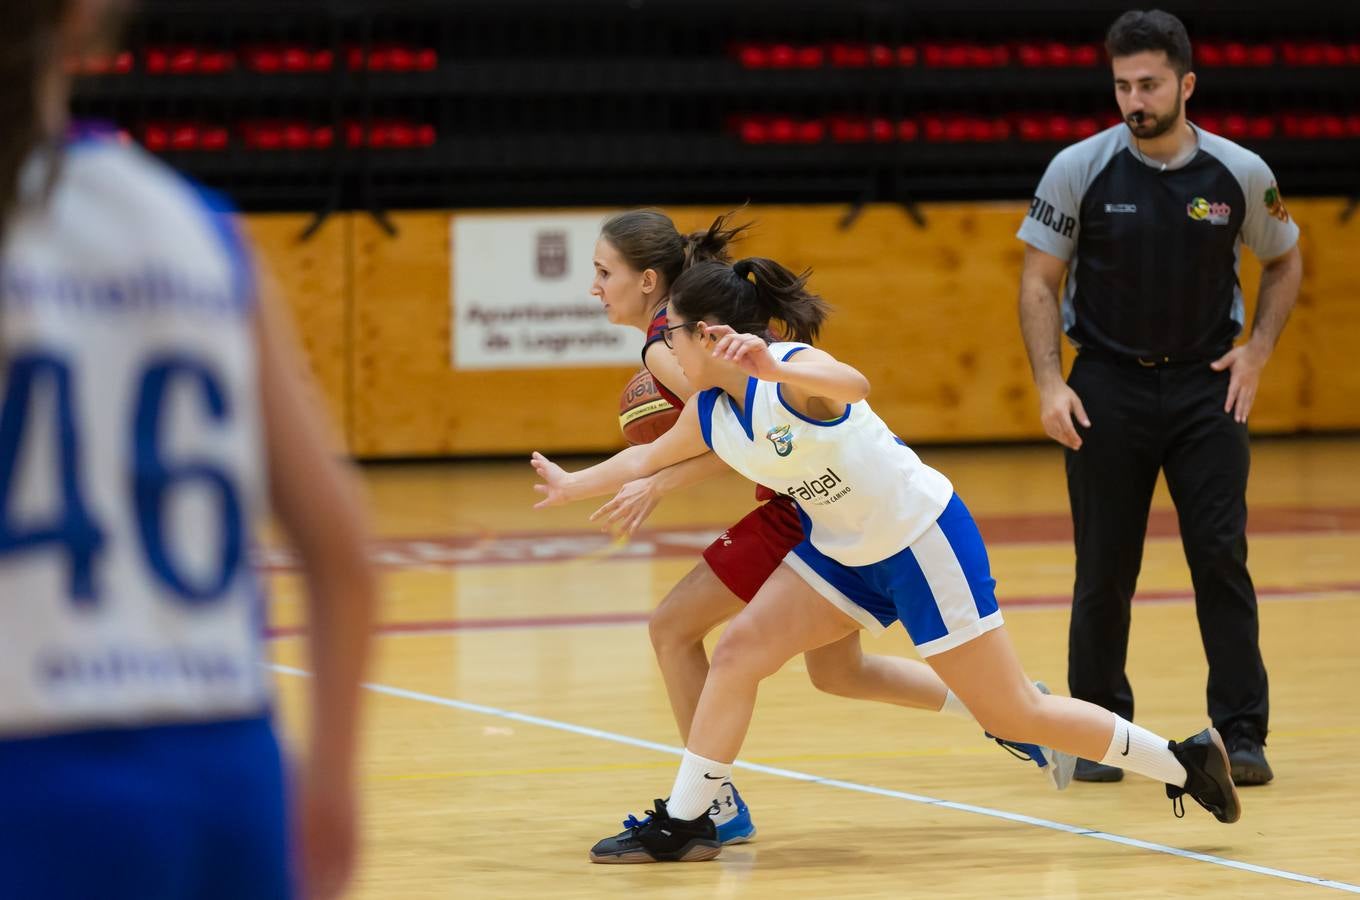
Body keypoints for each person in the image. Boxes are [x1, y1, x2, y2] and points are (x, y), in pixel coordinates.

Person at [532, 256, 1242, 864]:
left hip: (918, 538)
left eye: (675, 336)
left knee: (1017, 711)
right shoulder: (711, 407)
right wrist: (571, 483)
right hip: (842, 550)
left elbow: (855, 385)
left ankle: (1182, 762)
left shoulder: (792, 371)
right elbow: (645, 455)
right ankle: (688, 822)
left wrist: (770, 361)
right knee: (740, 650)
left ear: (712, 336)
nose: (667, 351)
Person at [0, 2, 376, 897]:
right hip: (226, 772)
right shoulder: (191, 224)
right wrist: (328, 786)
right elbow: (343, 554)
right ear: (87, 18)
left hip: (30, 771)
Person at [590, 211, 1073, 843]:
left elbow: (723, 432)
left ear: (648, 281)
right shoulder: (674, 326)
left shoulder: (667, 341)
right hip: (809, 499)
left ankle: (711, 806)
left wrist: (657, 477)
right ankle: (1010, 707)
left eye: (604, 272)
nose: (595, 287)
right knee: (837, 673)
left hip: (797, 508)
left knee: (673, 628)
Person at [1016, 9, 1301, 785]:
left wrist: (1258, 353)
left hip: (1209, 389)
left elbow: (1285, 259)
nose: (1134, 100)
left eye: (1149, 85)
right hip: (1106, 384)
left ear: (1186, 84)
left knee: (1220, 558)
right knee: (1104, 567)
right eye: (1122, 86)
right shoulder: (1078, 169)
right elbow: (1039, 283)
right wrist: (1050, 384)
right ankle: (1100, 731)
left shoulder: (1242, 173)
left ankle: (1242, 734)